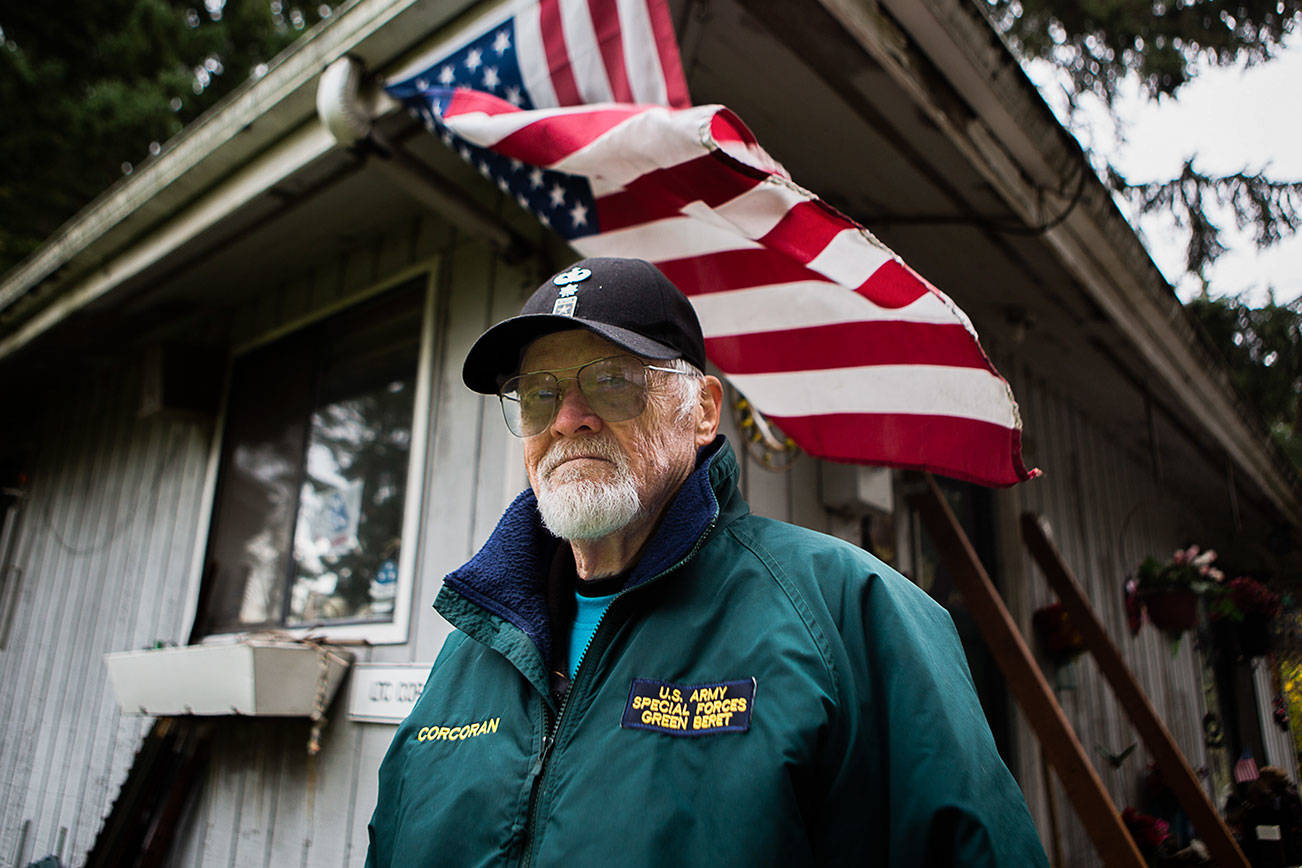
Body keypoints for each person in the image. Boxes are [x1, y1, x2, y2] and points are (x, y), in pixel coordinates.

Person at [366, 257, 1049, 866]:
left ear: (702, 413)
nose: (569, 417)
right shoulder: (473, 649)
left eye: (612, 382)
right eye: (540, 393)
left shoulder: (848, 613)